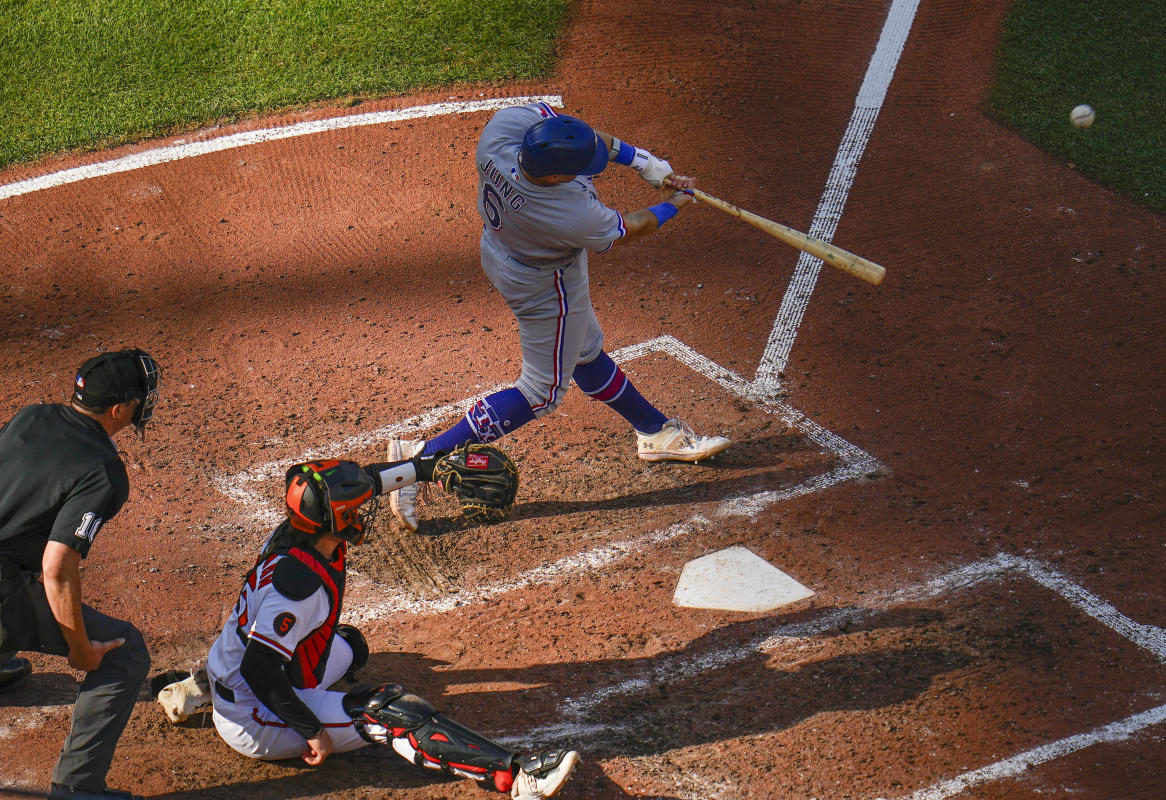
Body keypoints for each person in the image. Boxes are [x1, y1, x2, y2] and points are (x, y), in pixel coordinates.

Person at [388, 101, 730, 530]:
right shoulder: (567, 211)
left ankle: (655, 431)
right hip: (545, 285)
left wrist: (644, 162)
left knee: (585, 351)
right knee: (541, 391)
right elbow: (628, 229)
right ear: (553, 176)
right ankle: (422, 458)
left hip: (500, 251)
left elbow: (575, 132)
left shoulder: (503, 132)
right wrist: (676, 202)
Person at [200, 458, 579, 799]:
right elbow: (258, 668)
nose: (363, 512)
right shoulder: (299, 589)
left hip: (241, 672)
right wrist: (311, 728)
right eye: (355, 509)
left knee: (349, 645)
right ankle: (516, 775)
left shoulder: (302, 533)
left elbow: (369, 479)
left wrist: (428, 468)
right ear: (336, 517)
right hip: (255, 715)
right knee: (389, 710)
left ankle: (199, 684)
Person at [0, 349, 162, 800]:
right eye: (139, 397)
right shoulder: (104, 471)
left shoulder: (32, 416)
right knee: (123, 652)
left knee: (17, 564)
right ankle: (78, 787)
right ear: (119, 410)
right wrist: (79, 648)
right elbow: (57, 566)